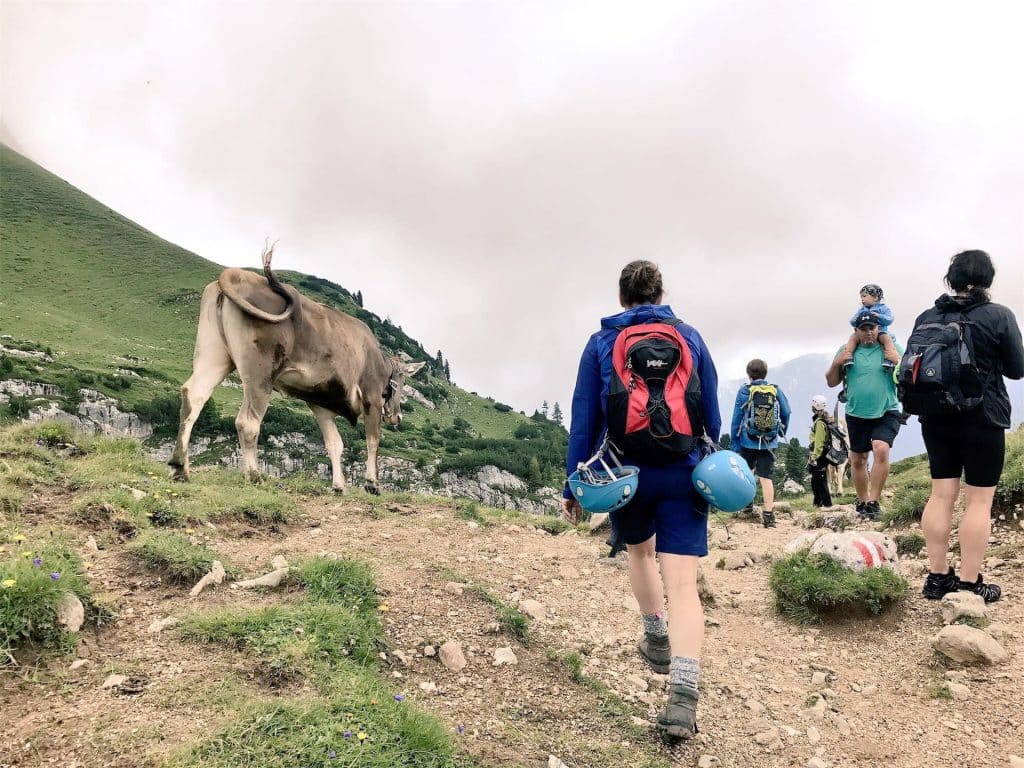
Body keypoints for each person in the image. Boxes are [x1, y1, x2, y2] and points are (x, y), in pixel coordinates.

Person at [562, 260, 720, 741]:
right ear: (661, 292)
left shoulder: (601, 342)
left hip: (624, 472)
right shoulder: (689, 336)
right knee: (685, 584)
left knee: (639, 552)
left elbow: (584, 419)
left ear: (621, 297)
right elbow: (710, 414)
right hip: (683, 472)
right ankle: (683, 697)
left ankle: (655, 639)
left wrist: (573, 486)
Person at [916, 250, 1023, 603]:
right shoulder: (998, 316)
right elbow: (1016, 368)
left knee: (941, 495)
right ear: (987, 281)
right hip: (983, 417)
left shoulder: (927, 316)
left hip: (935, 418)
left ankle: (936, 578)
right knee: (979, 501)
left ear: (953, 278)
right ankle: (968, 583)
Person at [825, 311, 903, 520]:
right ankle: (862, 500)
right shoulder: (847, 351)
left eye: (872, 328)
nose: (868, 333)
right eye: (864, 329)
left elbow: (909, 376)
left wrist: (898, 362)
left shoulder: (891, 349)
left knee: (881, 448)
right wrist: (836, 363)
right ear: (856, 331)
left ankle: (873, 502)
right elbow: (832, 381)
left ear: (879, 329)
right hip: (856, 412)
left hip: (887, 409)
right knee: (858, 459)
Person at [730, 359, 791, 528]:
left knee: (747, 474)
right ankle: (769, 516)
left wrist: (734, 443)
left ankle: (747, 508)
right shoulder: (775, 390)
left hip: (747, 440)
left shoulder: (744, 391)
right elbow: (786, 411)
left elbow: (736, 418)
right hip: (769, 442)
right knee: (766, 478)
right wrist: (781, 430)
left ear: (748, 374)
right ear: (766, 373)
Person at [842, 284, 901, 367]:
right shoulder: (861, 310)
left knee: (887, 340)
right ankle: (848, 356)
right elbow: (852, 322)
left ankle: (889, 357)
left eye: (864, 296)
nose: (862, 299)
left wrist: (879, 316)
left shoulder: (883, 308)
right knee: (853, 338)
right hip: (863, 333)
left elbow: (889, 319)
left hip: (881, 332)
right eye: (861, 297)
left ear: (875, 297)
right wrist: (858, 317)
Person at [807, 395, 833, 508]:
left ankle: (827, 504)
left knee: (820, 481)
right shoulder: (823, 420)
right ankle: (817, 504)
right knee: (815, 481)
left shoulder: (819, 423)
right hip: (823, 454)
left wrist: (814, 456)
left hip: (819, 456)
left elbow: (819, 442)